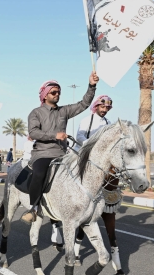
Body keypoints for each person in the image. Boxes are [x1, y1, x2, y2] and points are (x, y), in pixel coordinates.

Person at [21, 72, 99, 224]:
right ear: (44, 95)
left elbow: (84, 103)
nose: (57, 94)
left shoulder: (64, 111)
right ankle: (33, 208)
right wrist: (55, 135)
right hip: (43, 153)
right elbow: (33, 132)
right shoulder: (35, 113)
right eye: (53, 92)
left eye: (59, 92)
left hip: (62, 154)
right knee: (38, 173)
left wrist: (92, 85)